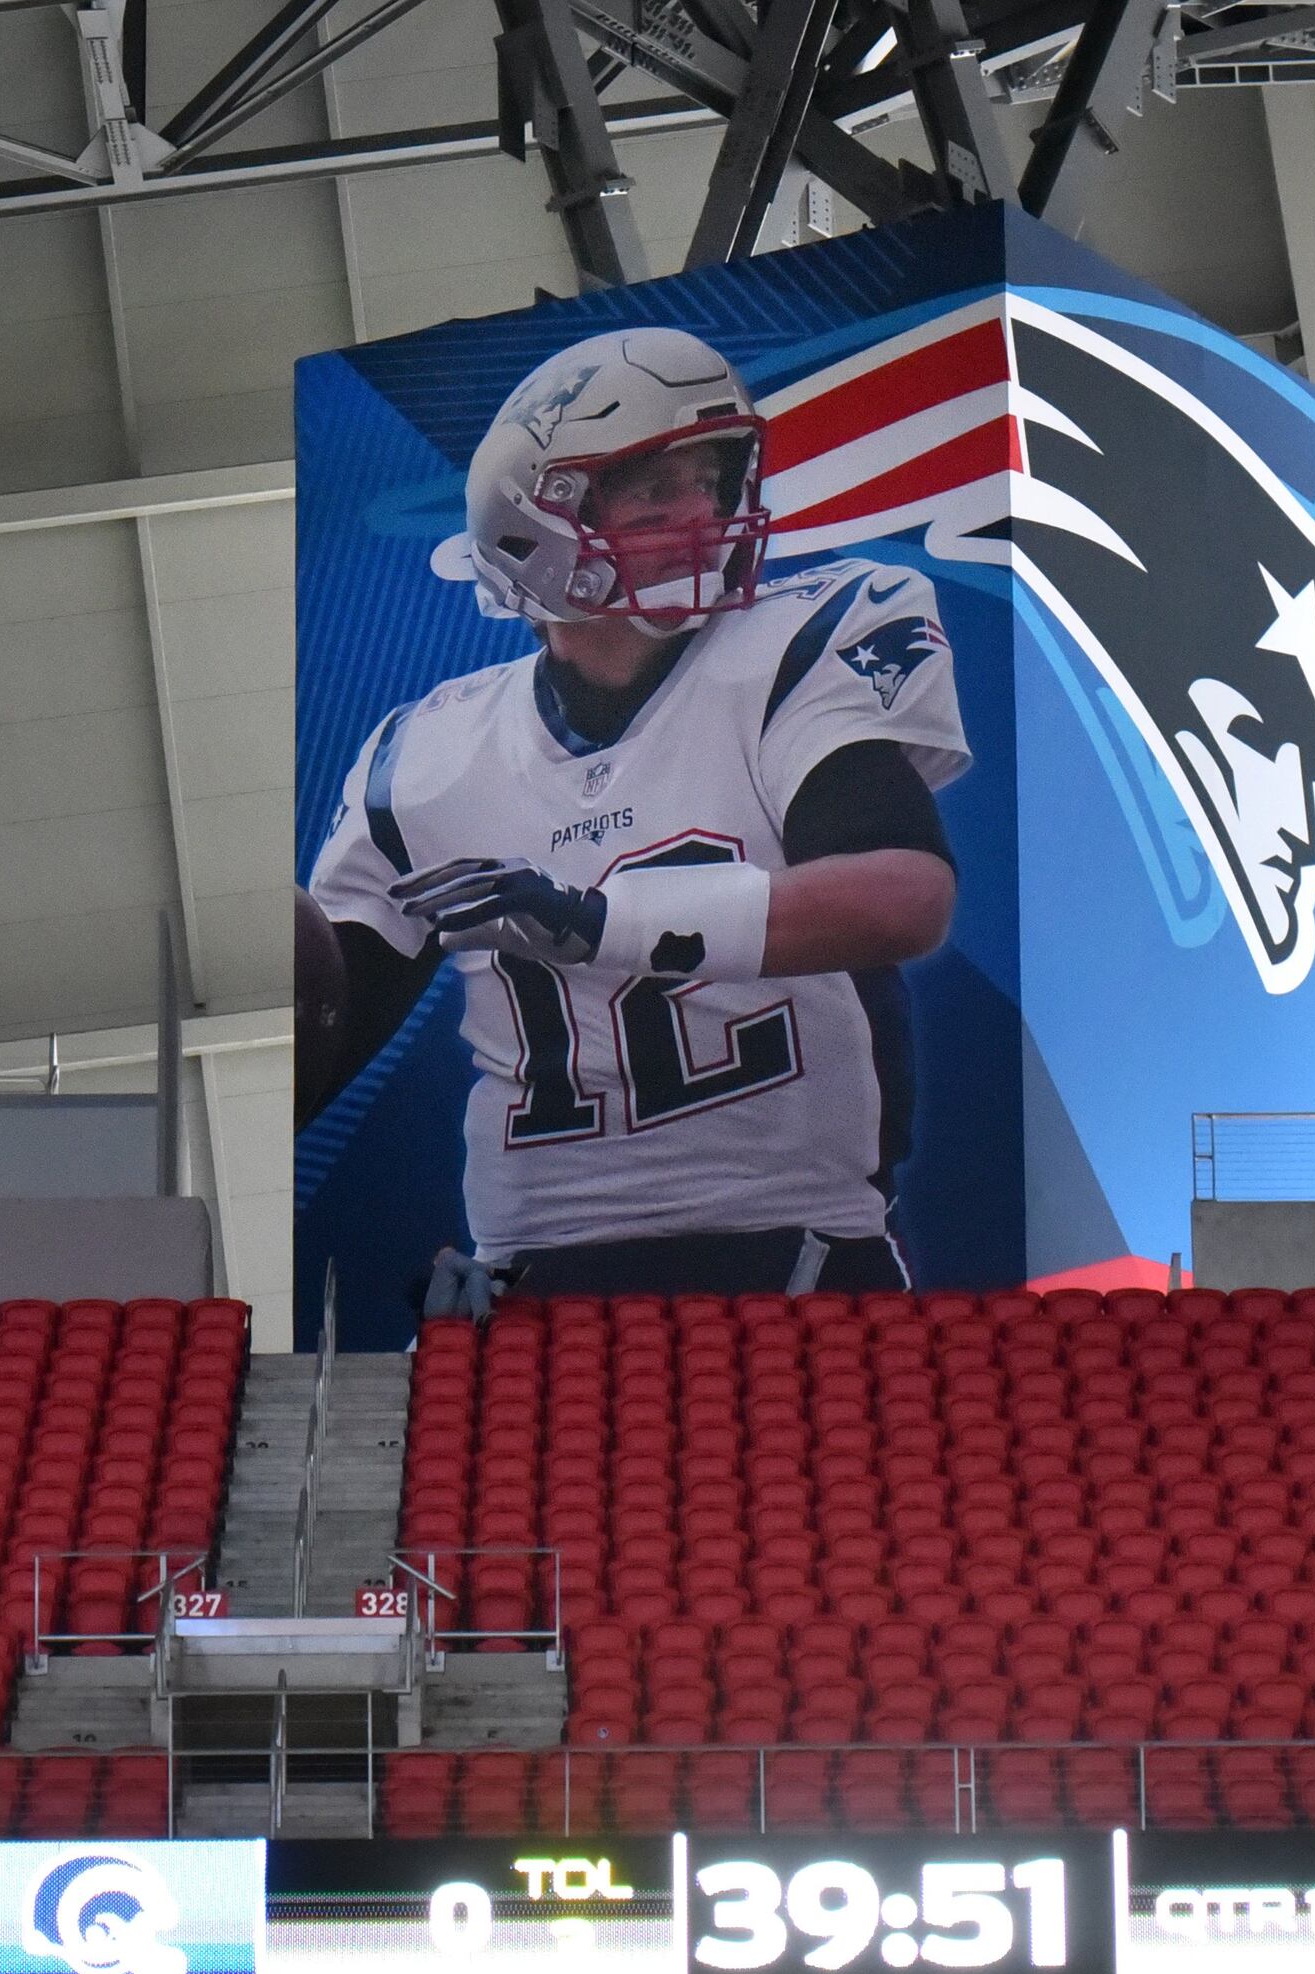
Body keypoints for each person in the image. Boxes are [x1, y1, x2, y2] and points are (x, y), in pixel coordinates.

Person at [303, 324, 969, 1300]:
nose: (701, 510)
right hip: (534, 1281)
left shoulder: (795, 645)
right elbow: (320, 1031)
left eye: (712, 479)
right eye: (657, 487)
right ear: (534, 526)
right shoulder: (428, 756)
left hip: (796, 1258)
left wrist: (598, 921)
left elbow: (903, 897)